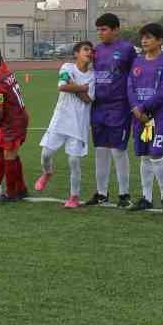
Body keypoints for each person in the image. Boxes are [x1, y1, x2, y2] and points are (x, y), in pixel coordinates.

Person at [87, 13, 138, 207]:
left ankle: (124, 194)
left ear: (116, 29)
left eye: (104, 29)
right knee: (100, 150)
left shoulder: (127, 49)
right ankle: (101, 193)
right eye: (98, 29)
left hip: (119, 106)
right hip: (98, 107)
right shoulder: (96, 50)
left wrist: (134, 103)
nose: (100, 33)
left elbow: (135, 76)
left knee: (118, 150)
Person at [36, 40, 95, 207]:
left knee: (74, 161)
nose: (89, 52)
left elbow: (88, 99)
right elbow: (62, 86)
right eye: (85, 49)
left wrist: (76, 87)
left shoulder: (93, 76)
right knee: (46, 154)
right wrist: (80, 88)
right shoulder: (67, 67)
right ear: (76, 53)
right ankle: (47, 173)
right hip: (60, 120)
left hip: (79, 124)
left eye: (90, 50)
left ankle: (74, 197)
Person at [129, 22, 163, 214]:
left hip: (157, 117)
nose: (144, 40)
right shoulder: (137, 62)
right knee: (144, 156)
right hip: (139, 117)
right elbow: (129, 86)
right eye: (143, 37)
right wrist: (135, 108)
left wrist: (143, 107)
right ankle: (146, 197)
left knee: (156, 154)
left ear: (160, 41)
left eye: (149, 37)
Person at [0, 44, 30, 202]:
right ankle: (21, 188)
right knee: (14, 154)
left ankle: (10, 193)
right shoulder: (7, 73)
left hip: (13, 121)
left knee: (8, 155)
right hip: (22, 115)